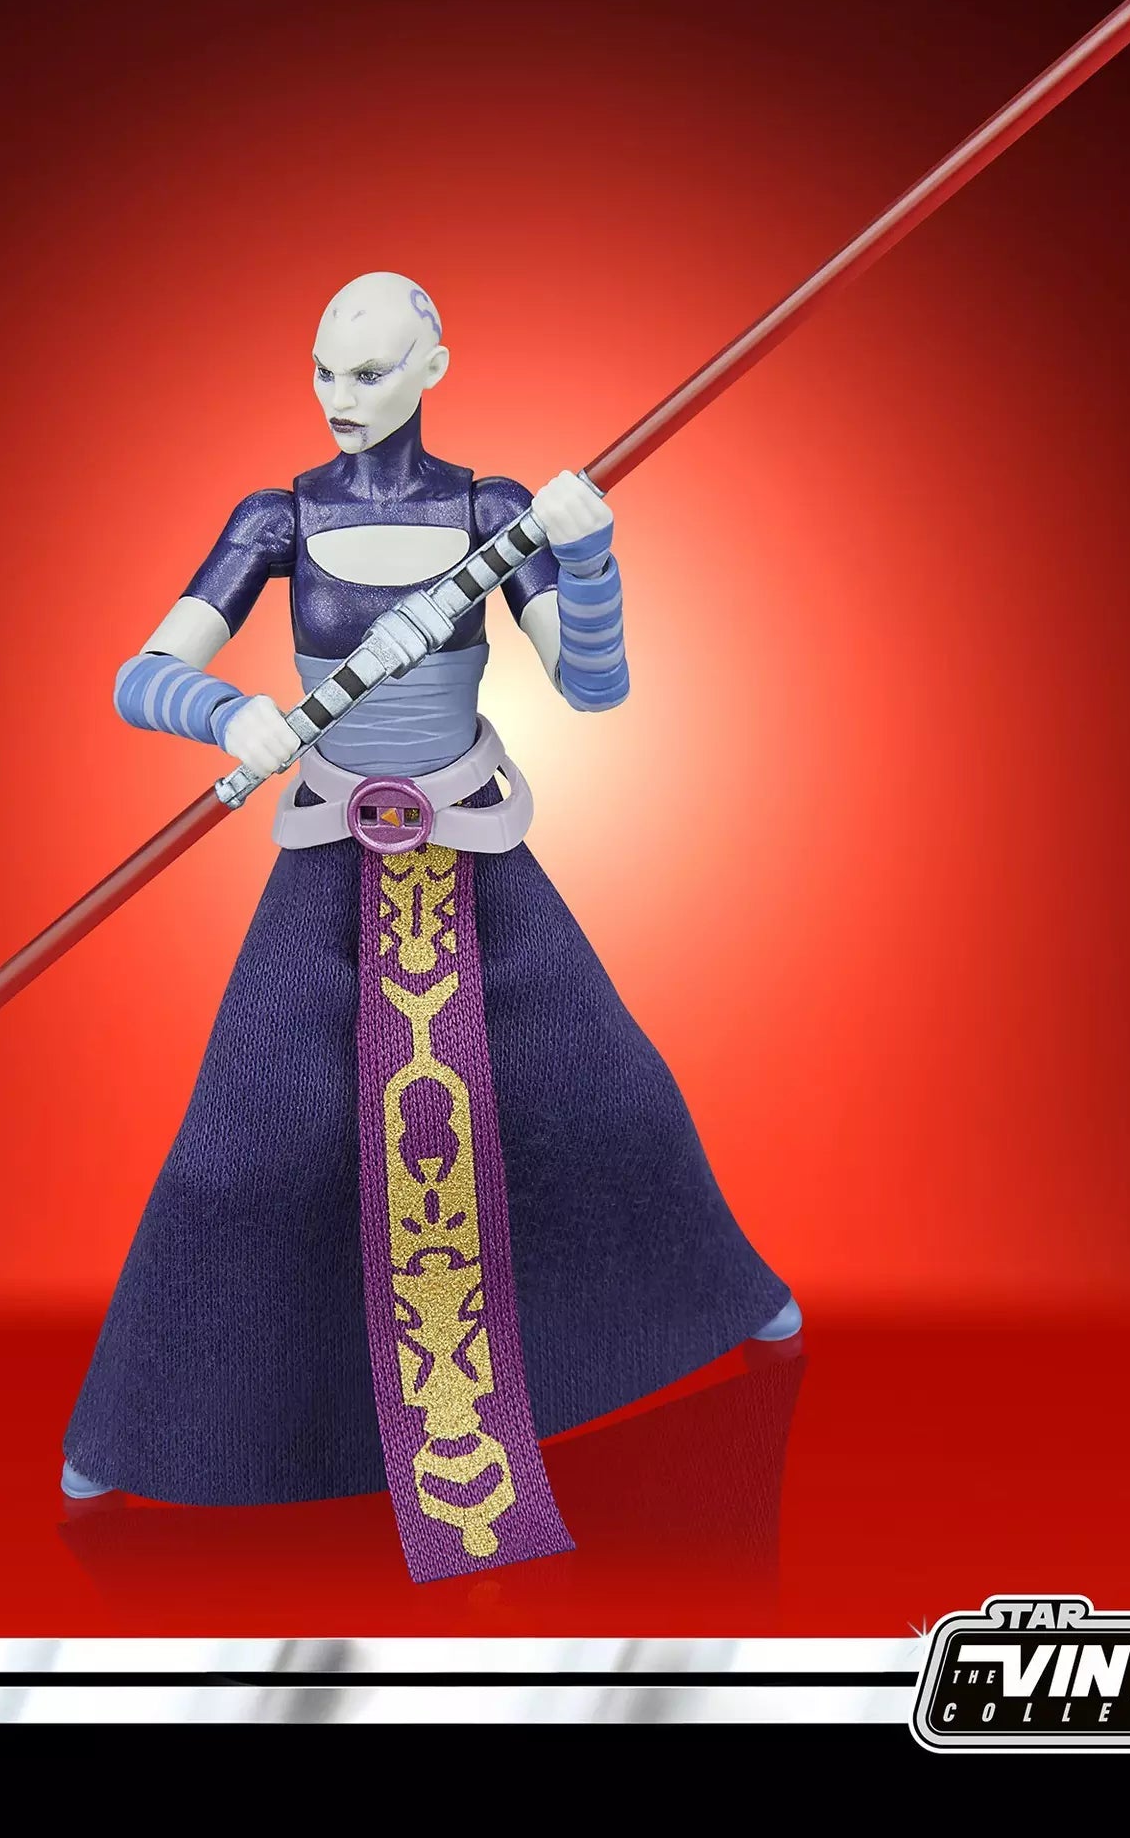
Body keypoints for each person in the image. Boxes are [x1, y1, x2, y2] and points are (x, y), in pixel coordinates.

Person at [61, 271, 798, 1572]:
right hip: (328, 863)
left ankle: (729, 1297)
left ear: (434, 367)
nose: (339, 396)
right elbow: (141, 673)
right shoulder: (277, 517)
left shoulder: (492, 512)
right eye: (324, 370)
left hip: (473, 855)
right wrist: (229, 714)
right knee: (242, 1147)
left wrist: (588, 556)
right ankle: (145, 1427)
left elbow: (595, 689)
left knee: (608, 1096)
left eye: (370, 370)